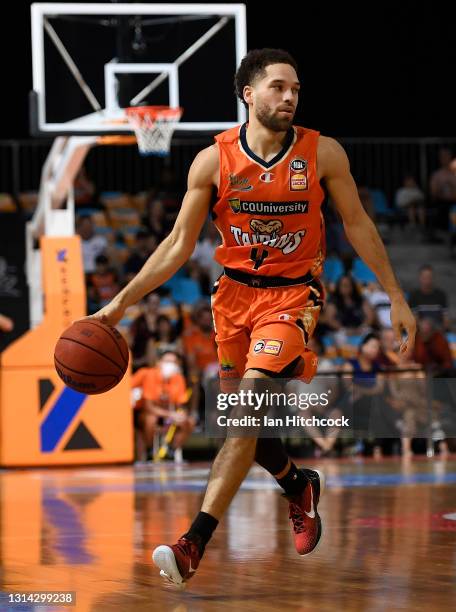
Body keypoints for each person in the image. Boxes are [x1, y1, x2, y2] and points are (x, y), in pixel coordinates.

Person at [85, 48, 416, 587]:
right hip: (233, 300)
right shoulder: (213, 161)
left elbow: (358, 226)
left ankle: (193, 542)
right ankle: (296, 486)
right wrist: (121, 303)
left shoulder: (322, 153)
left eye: (296, 89)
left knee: (247, 408)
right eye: (278, 87)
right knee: (250, 427)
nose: (289, 97)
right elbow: (175, 245)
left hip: (292, 298)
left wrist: (396, 295)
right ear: (249, 94)